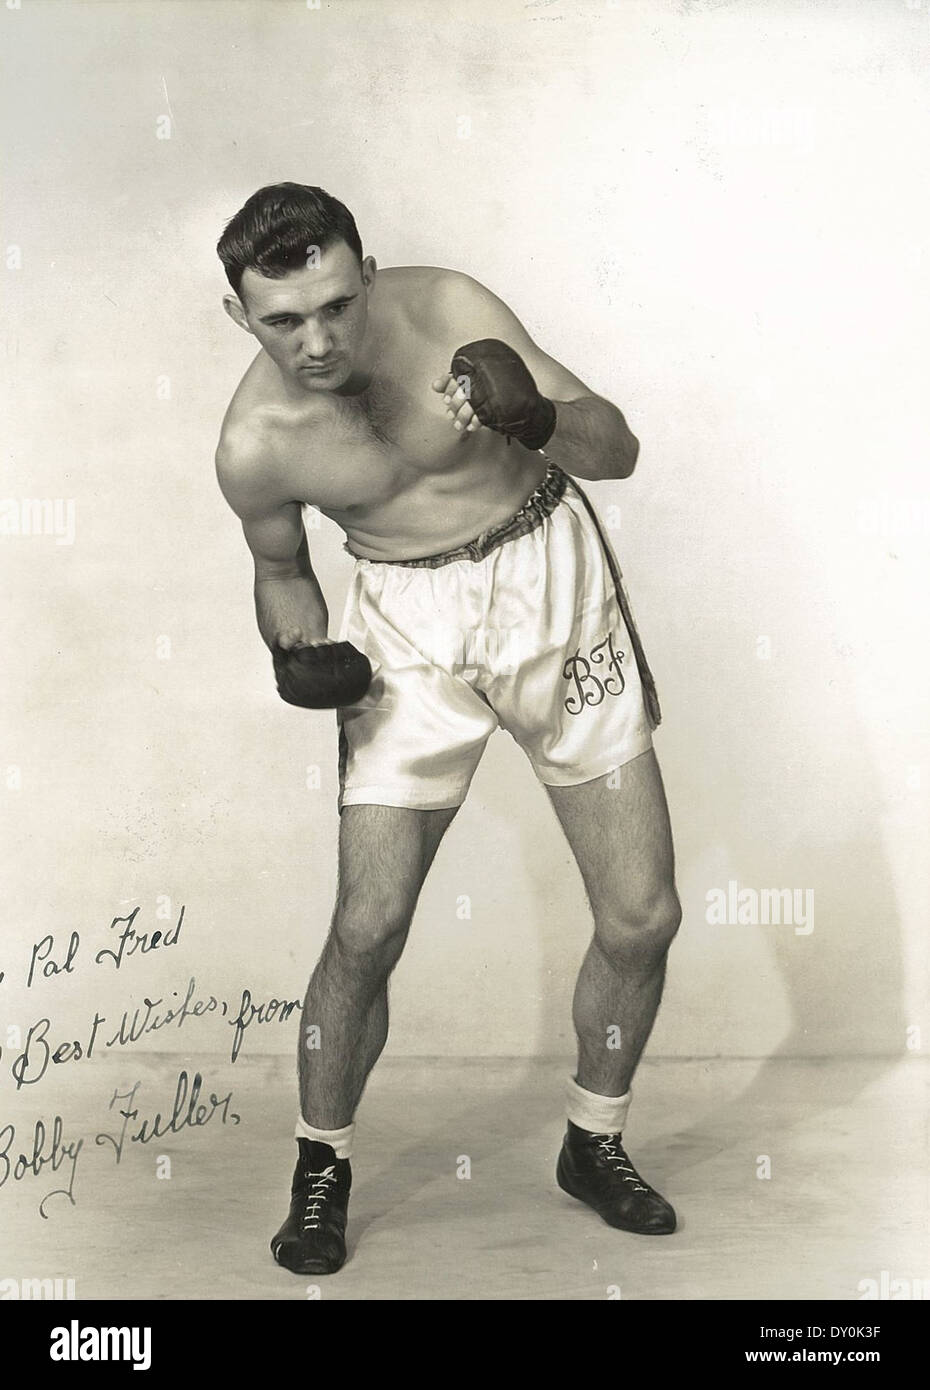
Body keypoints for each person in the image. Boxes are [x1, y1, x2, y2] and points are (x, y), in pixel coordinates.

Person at [214, 183, 682, 1276]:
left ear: (365, 270)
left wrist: (536, 420)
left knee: (642, 913)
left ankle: (593, 1139)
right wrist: (296, 653)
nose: (317, 339)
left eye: (334, 303)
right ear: (239, 314)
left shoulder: (454, 309)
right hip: (404, 627)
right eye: (284, 320)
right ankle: (321, 1169)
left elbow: (618, 448)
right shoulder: (255, 444)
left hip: (547, 581)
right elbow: (282, 574)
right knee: (369, 924)